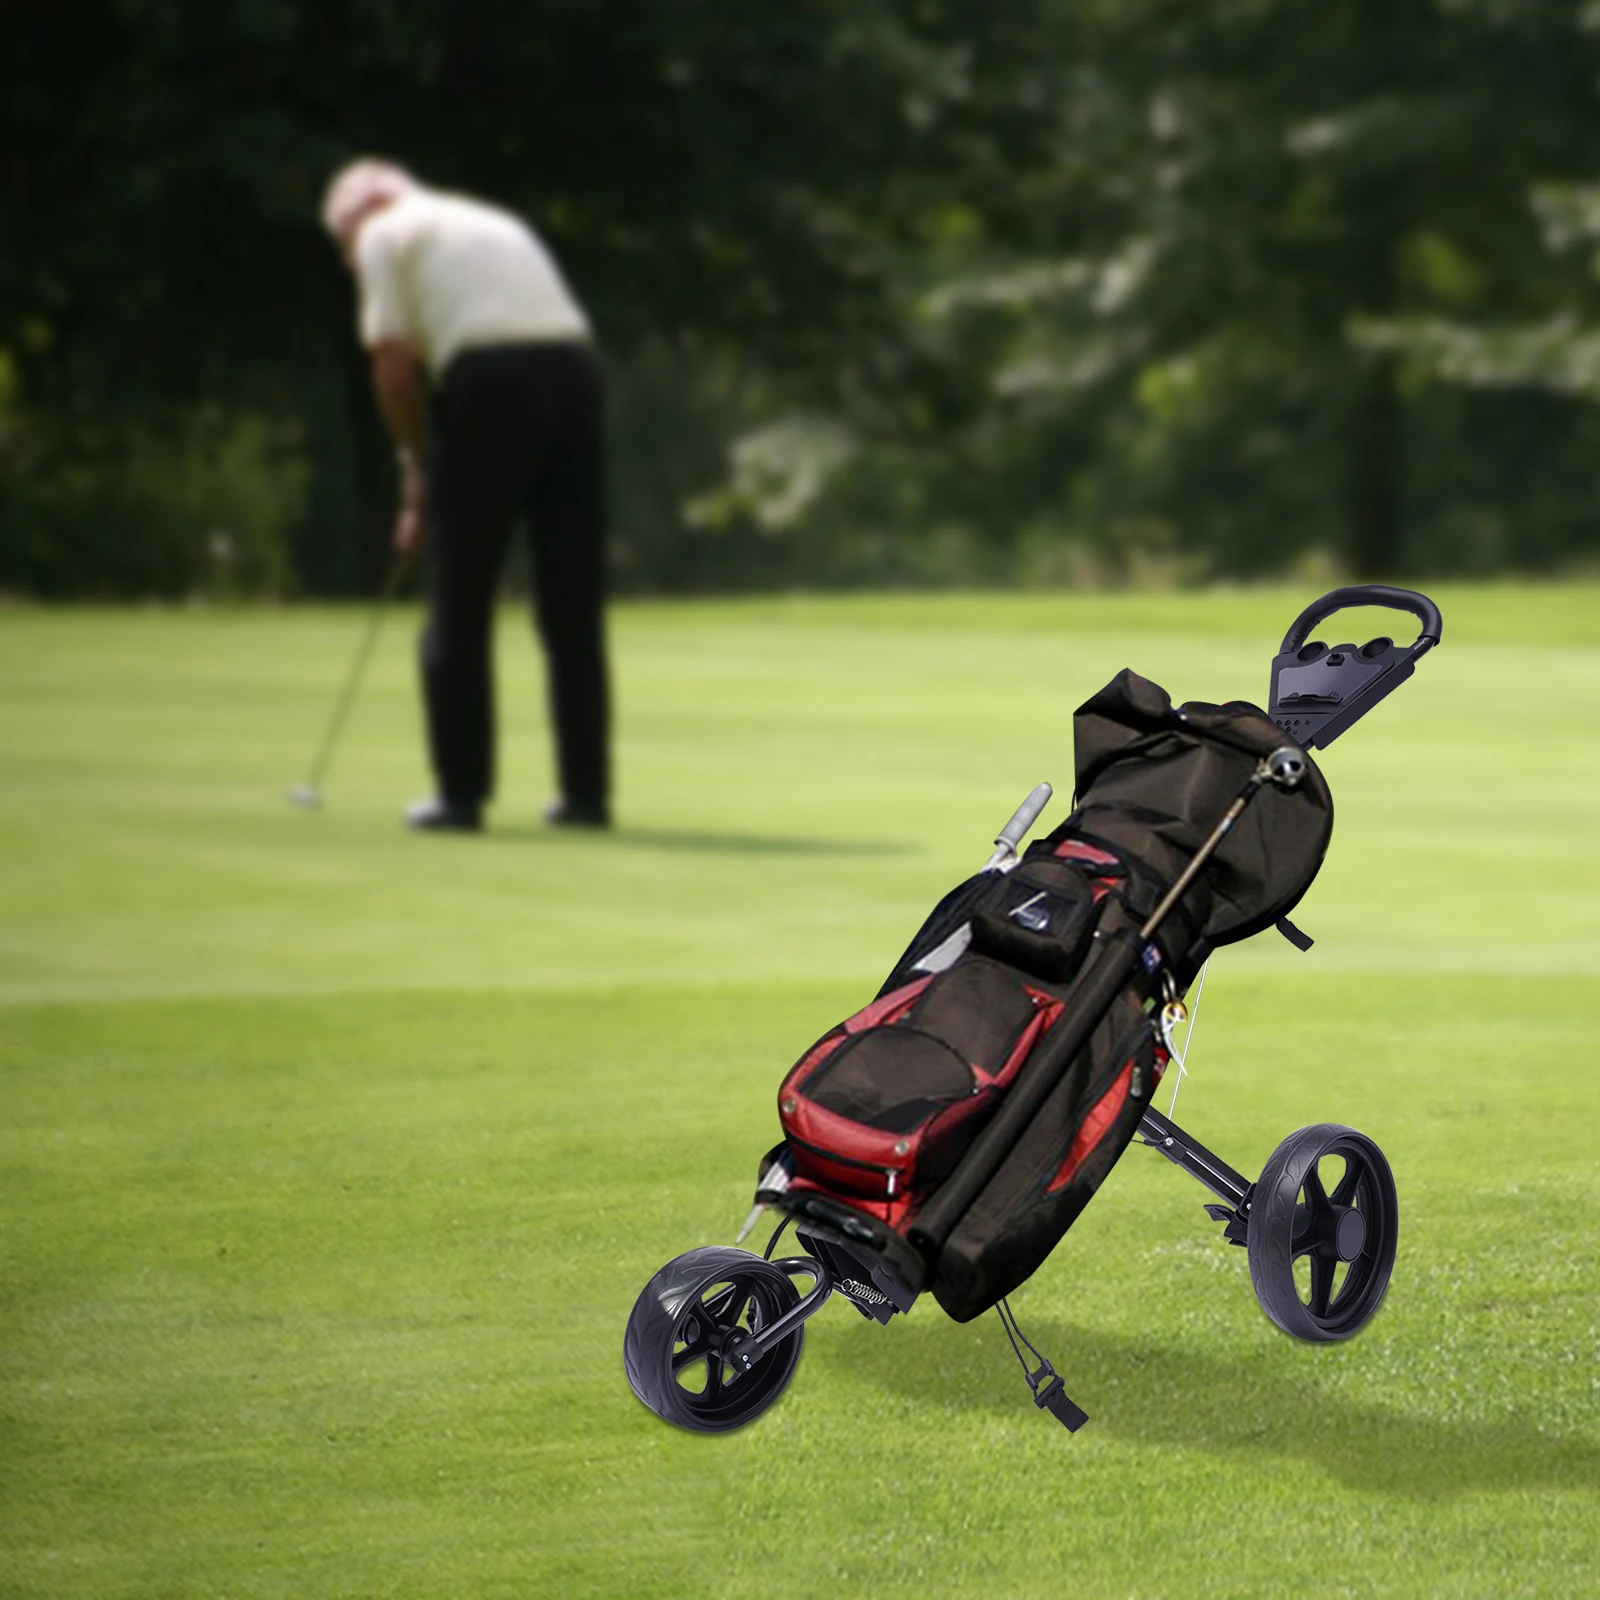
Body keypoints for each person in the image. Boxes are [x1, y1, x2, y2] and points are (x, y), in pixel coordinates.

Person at [321, 158, 610, 832]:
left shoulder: (382, 230)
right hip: (575, 375)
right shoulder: (485, 219)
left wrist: (415, 470)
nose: (349, 263)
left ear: (363, 213)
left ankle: (460, 794)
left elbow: (393, 368)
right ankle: (586, 796)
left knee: (460, 594)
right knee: (571, 601)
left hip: (491, 382)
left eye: (343, 247)